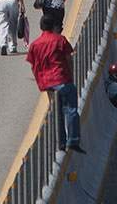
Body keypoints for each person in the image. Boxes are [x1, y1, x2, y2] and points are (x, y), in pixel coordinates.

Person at [26, 14, 85, 154]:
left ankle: (61, 143)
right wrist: (70, 75)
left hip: (49, 84)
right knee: (70, 110)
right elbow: (68, 59)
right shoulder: (60, 40)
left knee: (56, 113)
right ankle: (73, 140)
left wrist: (41, 81)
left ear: (41, 27)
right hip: (63, 79)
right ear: (54, 26)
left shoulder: (35, 45)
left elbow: (33, 65)